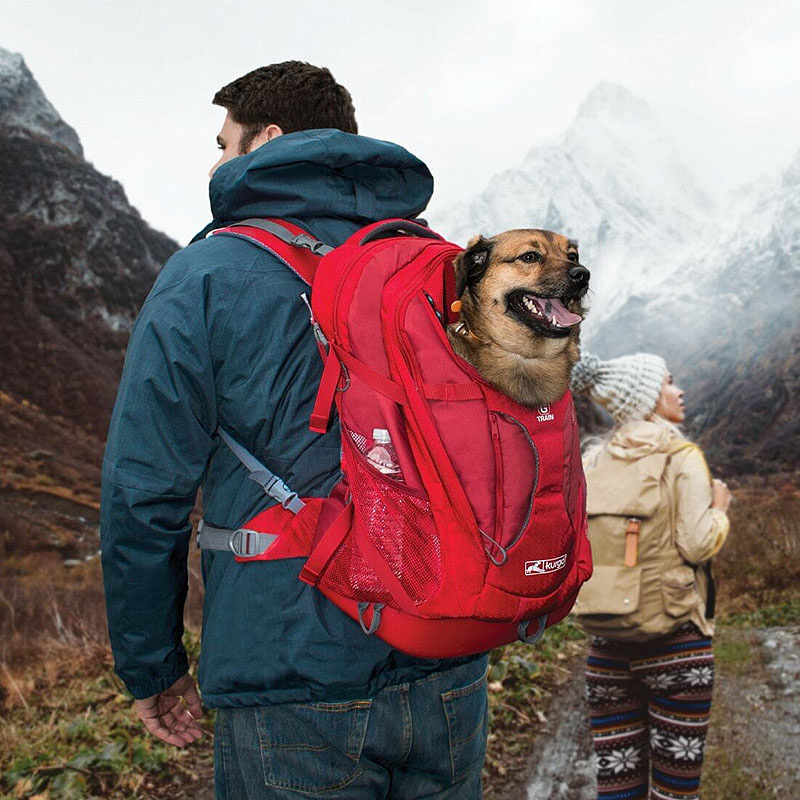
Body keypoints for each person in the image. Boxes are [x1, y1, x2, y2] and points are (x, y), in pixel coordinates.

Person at [101, 61, 489, 799]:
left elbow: (142, 495)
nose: (216, 161)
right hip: (449, 656)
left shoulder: (206, 275)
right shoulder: (433, 266)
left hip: (290, 669)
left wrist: (152, 666)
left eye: (223, 142)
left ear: (267, 139)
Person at [570, 352, 731, 800]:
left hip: (605, 650)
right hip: (677, 646)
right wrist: (719, 512)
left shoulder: (591, 463)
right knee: (674, 792)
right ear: (647, 398)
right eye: (669, 383)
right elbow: (698, 544)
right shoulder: (682, 457)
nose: (679, 391)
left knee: (617, 788)